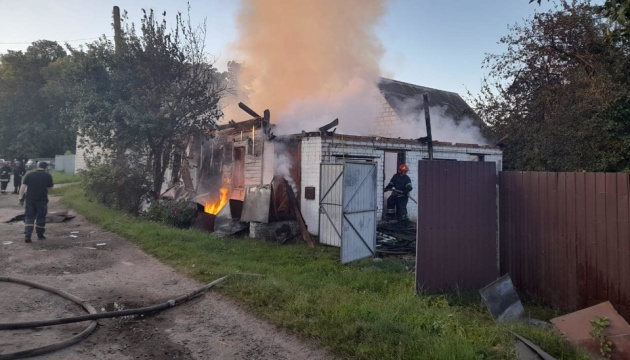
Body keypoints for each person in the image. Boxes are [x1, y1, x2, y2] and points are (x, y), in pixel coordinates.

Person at [19, 161, 54, 243]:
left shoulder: (29, 174)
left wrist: (20, 198)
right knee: (41, 217)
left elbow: (23, 187)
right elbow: (50, 188)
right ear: (46, 167)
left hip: (30, 200)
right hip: (42, 200)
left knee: (29, 217)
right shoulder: (47, 175)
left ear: (37, 166)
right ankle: (40, 235)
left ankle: (28, 235)